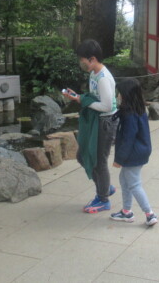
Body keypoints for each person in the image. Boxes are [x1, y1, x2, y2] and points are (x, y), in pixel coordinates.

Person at [63, 39, 117, 213]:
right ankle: (105, 187)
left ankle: (103, 199)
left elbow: (107, 106)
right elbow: (95, 97)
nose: (81, 63)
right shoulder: (93, 73)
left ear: (92, 59)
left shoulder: (103, 78)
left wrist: (83, 101)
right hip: (96, 120)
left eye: (83, 60)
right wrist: (79, 97)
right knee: (82, 156)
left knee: (99, 161)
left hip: (105, 123)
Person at [110, 78, 158, 226]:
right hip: (141, 150)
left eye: (120, 93)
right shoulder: (138, 109)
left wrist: (119, 159)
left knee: (134, 184)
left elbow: (128, 139)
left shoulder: (129, 114)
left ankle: (150, 214)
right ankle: (126, 211)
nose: (118, 95)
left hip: (133, 153)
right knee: (124, 180)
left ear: (126, 95)